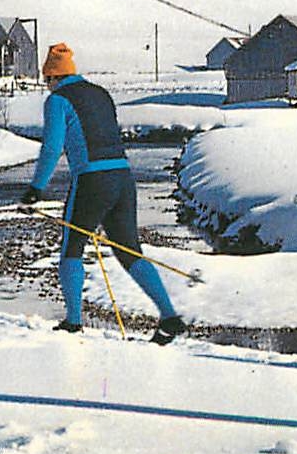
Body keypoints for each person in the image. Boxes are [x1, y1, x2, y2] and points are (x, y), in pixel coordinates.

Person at [21, 43, 186, 344]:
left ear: (53, 76)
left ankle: (73, 322)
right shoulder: (101, 93)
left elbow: (52, 147)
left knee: (72, 247)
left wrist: (36, 188)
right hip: (123, 177)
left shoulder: (57, 100)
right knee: (129, 251)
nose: (46, 86)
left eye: (47, 80)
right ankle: (169, 316)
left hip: (91, 180)